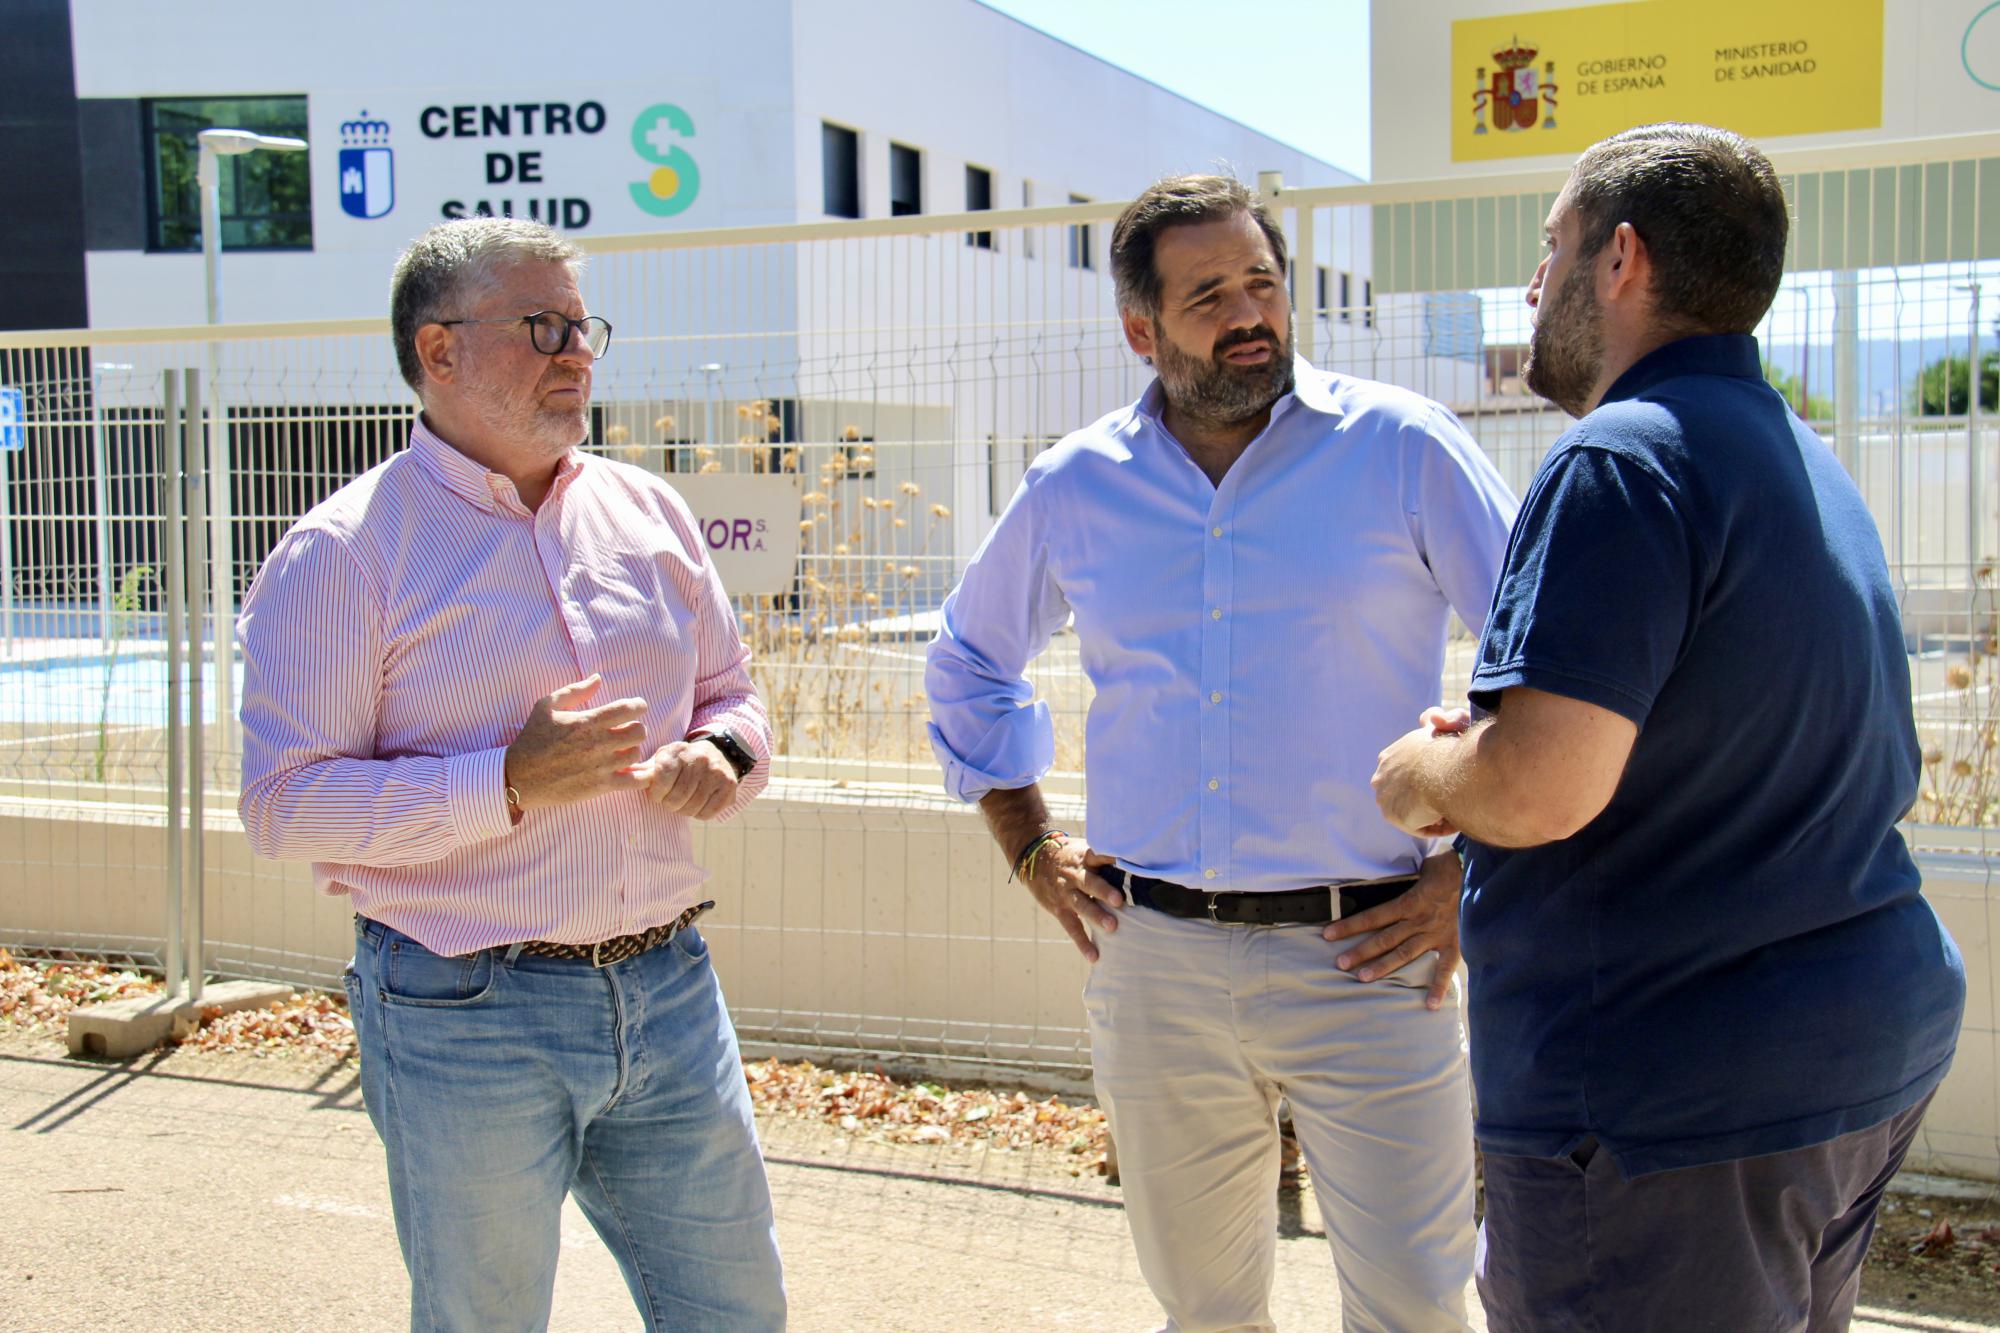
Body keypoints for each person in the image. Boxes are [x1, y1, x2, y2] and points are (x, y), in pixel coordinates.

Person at [1370, 123, 1966, 1331]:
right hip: (1845, 1050)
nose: (1531, 286)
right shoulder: (1795, 454)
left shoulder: (1619, 457)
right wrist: (1504, 743)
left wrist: (1425, 770)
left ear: (1620, 259)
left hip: (1668, 1096)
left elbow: (1537, 788)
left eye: (1550, 248)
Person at [926, 174, 1518, 1332]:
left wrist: (1477, 872)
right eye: (1207, 296)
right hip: (1155, 965)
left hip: (1373, 954)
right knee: (1203, 1310)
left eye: (1262, 282)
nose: (1248, 313)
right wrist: (1028, 844)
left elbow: (1545, 667)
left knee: (1415, 1305)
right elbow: (966, 662)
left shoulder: (1402, 448)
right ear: (1139, 329)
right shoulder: (1075, 484)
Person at [237, 217, 787, 1332]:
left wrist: (722, 754)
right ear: (438, 351)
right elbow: (283, 803)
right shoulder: (347, 551)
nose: (576, 351)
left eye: (582, 326)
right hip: (464, 1011)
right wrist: (507, 781)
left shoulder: (647, 510)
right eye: (542, 326)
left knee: (737, 1314)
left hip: (670, 989)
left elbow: (734, 694)